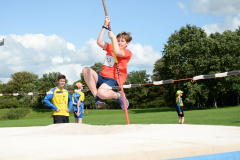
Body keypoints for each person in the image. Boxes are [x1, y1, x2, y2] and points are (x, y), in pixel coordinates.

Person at [82, 16, 132, 111]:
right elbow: (99, 42)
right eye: (118, 41)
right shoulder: (110, 47)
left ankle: (118, 95)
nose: (119, 42)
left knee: (102, 93)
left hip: (113, 80)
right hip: (102, 78)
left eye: (122, 41)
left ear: (127, 44)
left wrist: (113, 38)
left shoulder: (127, 52)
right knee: (85, 70)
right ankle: (97, 97)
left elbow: (117, 52)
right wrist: (104, 26)